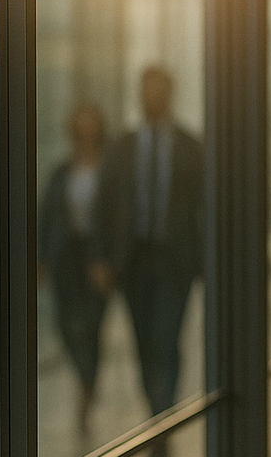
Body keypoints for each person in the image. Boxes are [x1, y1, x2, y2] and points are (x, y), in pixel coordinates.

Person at [100, 65, 204, 417]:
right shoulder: (122, 147)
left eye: (159, 90)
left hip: (176, 259)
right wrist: (102, 258)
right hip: (134, 259)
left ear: (170, 95)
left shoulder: (191, 148)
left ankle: (164, 410)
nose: (152, 97)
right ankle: (154, 403)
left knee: (167, 337)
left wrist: (205, 261)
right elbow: (106, 204)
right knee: (143, 339)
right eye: (147, 90)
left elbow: (204, 208)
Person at [39, 100, 112, 432]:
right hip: (66, 258)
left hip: (96, 259)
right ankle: (85, 380)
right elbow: (46, 218)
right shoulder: (62, 171)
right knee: (66, 324)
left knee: (93, 325)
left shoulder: (108, 169)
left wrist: (110, 261)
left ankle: (86, 390)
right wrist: (39, 260)